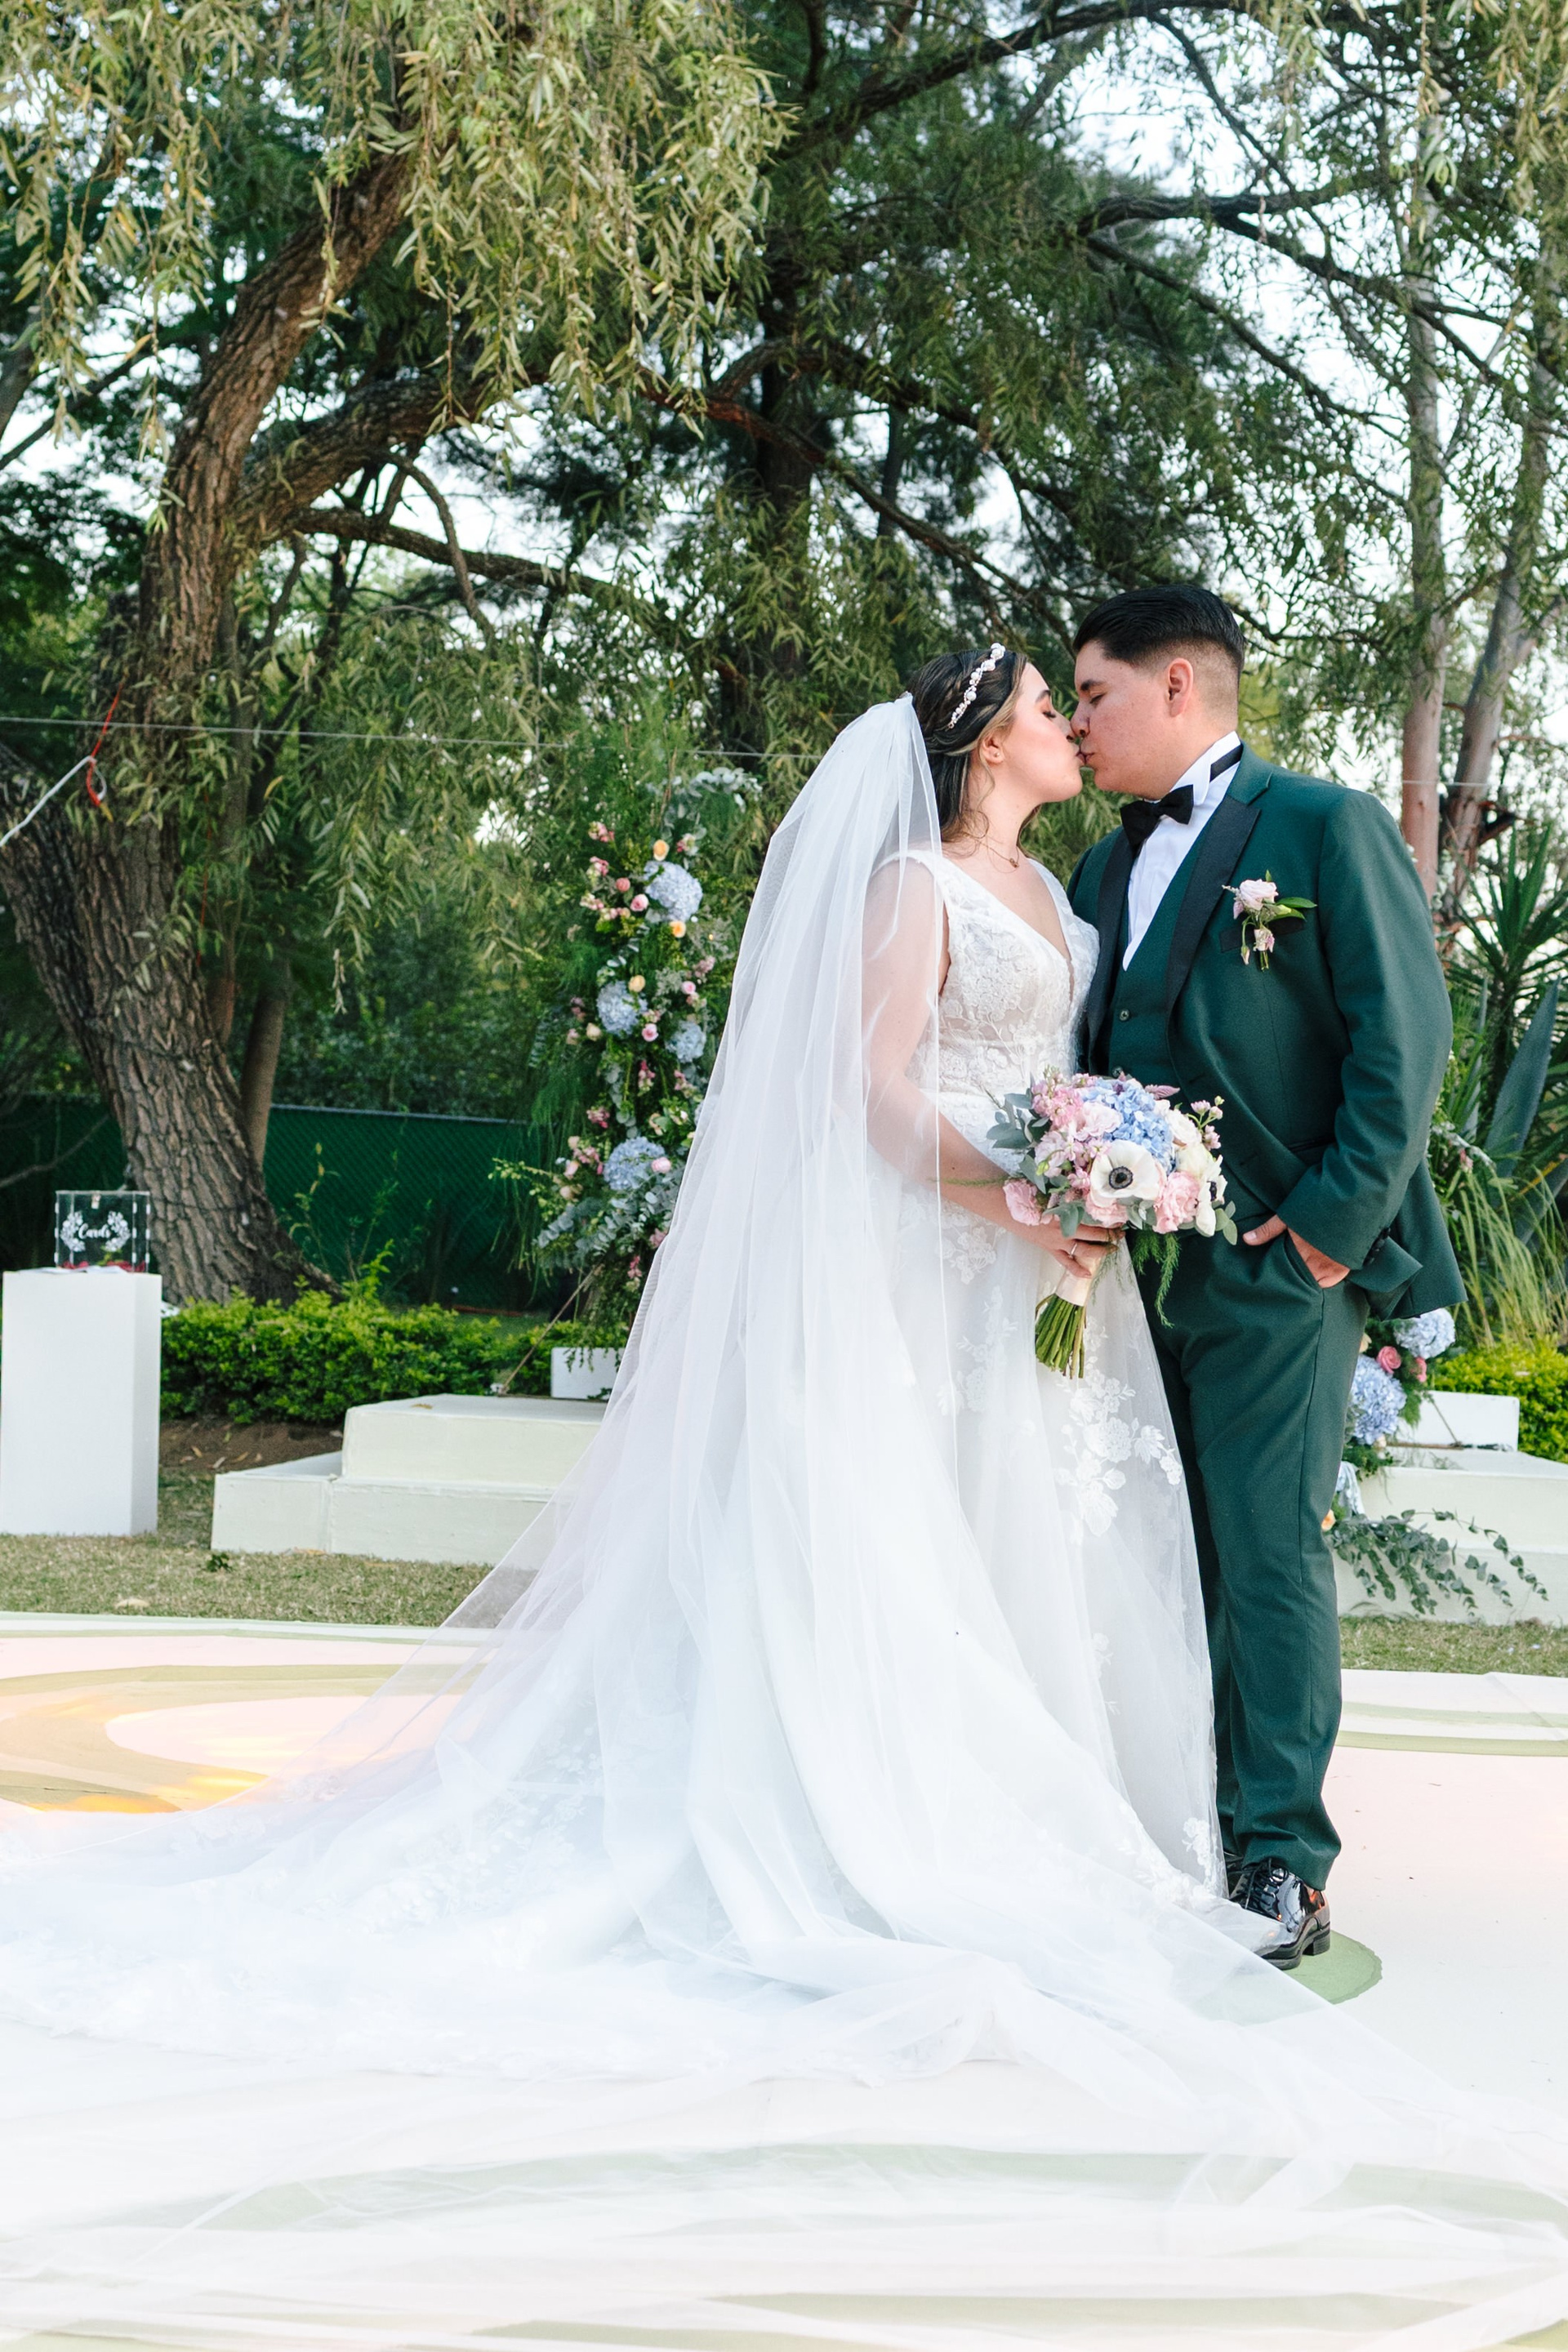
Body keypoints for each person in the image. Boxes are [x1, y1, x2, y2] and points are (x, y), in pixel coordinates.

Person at [0, 662, 1559, 2350]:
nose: (1069, 720)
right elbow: (866, 1089)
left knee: (1048, 1546)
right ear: (985, 739)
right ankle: (898, 1825)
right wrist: (1021, 1179)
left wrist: (1114, 1172)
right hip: (948, 1260)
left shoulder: (1072, 890)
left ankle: (1138, 1826)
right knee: (916, 1547)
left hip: (1063, 1286)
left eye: (1084, 696)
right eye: (1048, 703)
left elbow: (1165, 1051)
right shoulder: (911, 888)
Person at [1067, 585, 1463, 1964]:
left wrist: (1324, 1233)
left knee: (1268, 1551)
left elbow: (1405, 1043)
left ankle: (1283, 1858)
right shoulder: (1097, 869)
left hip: (1278, 1269)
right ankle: (1175, 1824)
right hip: (1124, 1277)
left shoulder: (1323, 828)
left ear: (1178, 685)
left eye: (1096, 694)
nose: (1079, 723)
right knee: (1152, 1551)